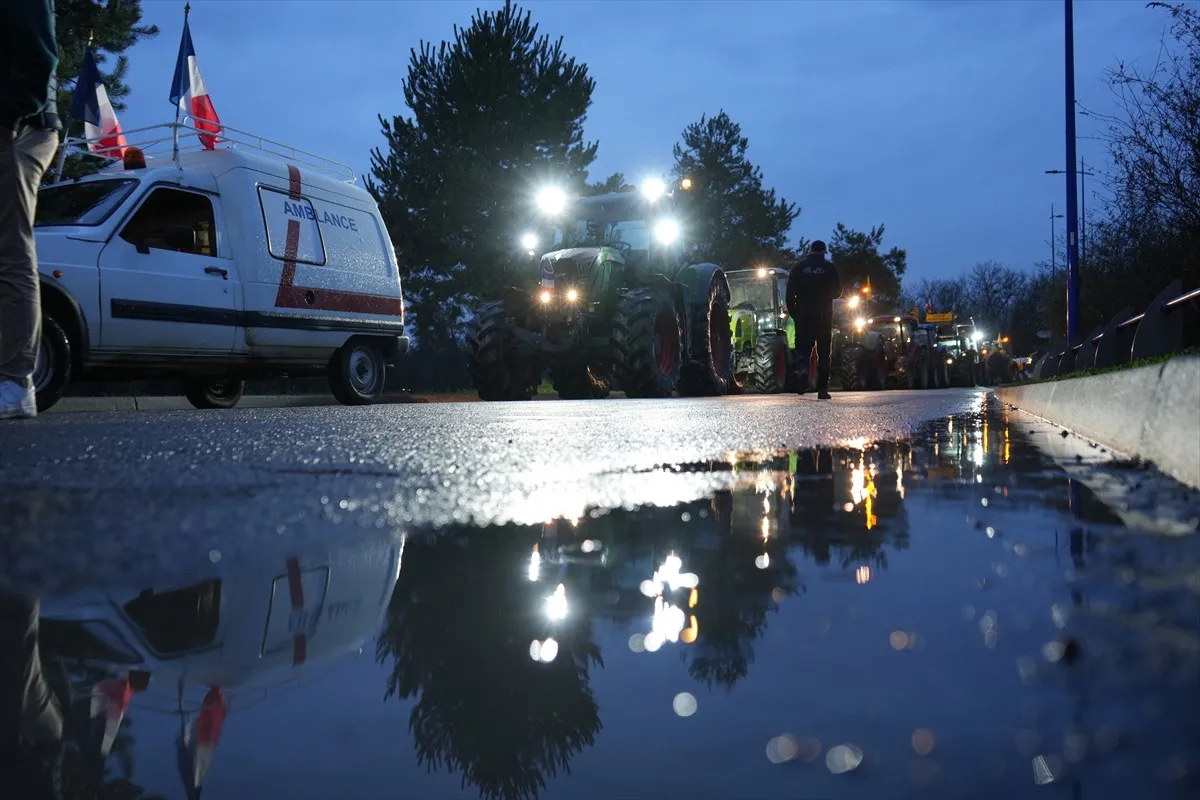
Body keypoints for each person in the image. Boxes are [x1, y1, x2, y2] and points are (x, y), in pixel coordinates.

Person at [0, 0, 62, 420]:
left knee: (9, 252)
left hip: (21, 127)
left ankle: (15, 383)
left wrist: (8, 118)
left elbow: (39, 55)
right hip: (19, 122)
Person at [785, 240, 843, 399]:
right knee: (824, 353)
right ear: (824, 251)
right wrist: (825, 296)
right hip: (824, 315)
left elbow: (789, 293)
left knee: (803, 348)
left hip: (803, 315)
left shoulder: (798, 268)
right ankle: (822, 390)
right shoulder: (830, 268)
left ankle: (803, 370)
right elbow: (838, 292)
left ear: (809, 250)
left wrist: (794, 313)